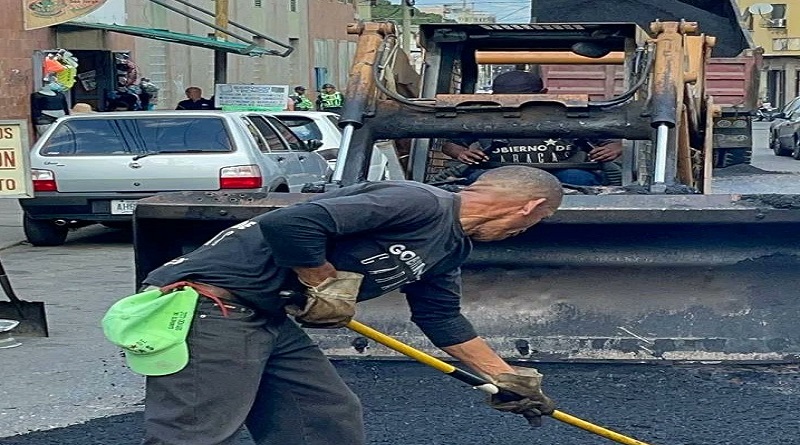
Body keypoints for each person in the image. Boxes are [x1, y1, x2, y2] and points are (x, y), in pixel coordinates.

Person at [127, 166, 562, 445]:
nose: (525, 231)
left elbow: (441, 317)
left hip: (268, 317)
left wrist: (506, 377)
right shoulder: (416, 201)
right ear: (531, 206)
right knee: (199, 431)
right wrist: (325, 283)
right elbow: (291, 222)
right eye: (537, 222)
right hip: (212, 304)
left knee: (322, 416)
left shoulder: (450, 247)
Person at [440, 70, 623, 186]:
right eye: (506, 98)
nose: (516, 104)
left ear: (543, 94)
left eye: (523, 98)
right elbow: (450, 145)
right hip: (499, 172)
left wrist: (611, 149)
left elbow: (613, 143)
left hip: (561, 172)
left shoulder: (567, 114)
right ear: (494, 95)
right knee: (479, 181)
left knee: (579, 179)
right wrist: (461, 153)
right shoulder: (483, 116)